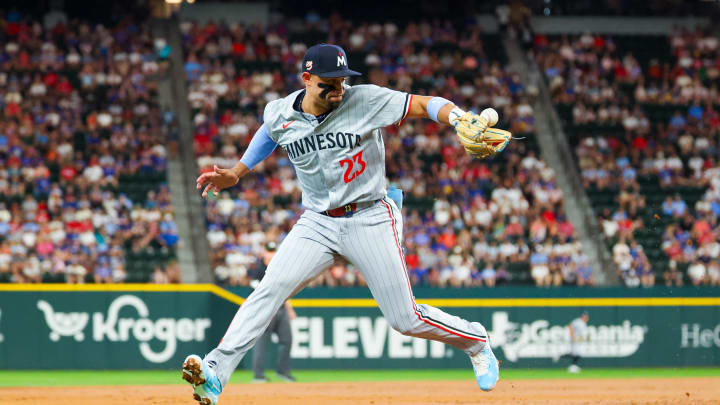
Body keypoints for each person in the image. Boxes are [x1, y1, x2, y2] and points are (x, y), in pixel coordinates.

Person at [182, 43, 500, 405]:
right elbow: (270, 132)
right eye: (328, 83)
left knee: (405, 319)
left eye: (342, 80)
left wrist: (457, 116)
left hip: (369, 216)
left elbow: (423, 104)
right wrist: (238, 171)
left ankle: (475, 340)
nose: (338, 89)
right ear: (306, 79)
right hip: (317, 222)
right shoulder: (280, 112)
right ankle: (214, 375)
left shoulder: (363, 100)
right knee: (269, 290)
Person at [248, 242, 296, 383]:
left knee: (287, 340)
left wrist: (290, 309)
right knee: (262, 342)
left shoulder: (280, 268)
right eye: (269, 251)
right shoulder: (258, 270)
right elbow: (257, 290)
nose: (272, 254)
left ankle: (283, 371)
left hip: (280, 308)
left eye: (273, 251)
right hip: (265, 310)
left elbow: (284, 290)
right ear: (264, 253)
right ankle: (258, 375)